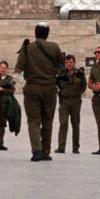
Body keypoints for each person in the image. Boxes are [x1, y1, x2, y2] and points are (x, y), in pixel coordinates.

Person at [16, 23, 63, 161]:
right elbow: (61, 65)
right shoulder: (55, 47)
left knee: (33, 121)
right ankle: (46, 152)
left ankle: (36, 150)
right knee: (48, 120)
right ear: (47, 33)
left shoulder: (28, 47)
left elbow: (19, 69)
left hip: (32, 88)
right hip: (49, 88)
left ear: (35, 33)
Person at [54, 54, 87, 153]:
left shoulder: (79, 74)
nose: (68, 64)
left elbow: (83, 86)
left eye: (70, 62)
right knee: (63, 124)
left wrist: (77, 94)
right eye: (67, 62)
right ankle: (61, 146)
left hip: (76, 102)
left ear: (74, 63)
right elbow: (55, 84)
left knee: (75, 125)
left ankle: (75, 147)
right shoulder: (60, 73)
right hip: (64, 101)